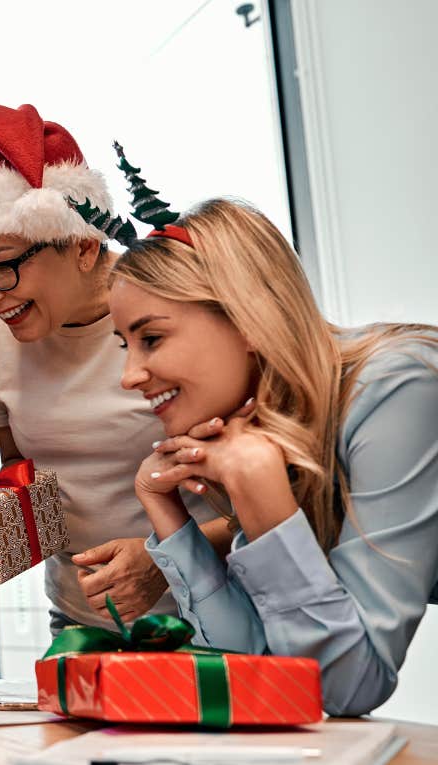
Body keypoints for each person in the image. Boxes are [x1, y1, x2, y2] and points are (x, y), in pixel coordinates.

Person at [110, 197, 438, 716]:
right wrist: (169, 516)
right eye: (124, 345)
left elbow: (347, 688)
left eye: (151, 337)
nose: (129, 375)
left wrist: (260, 496)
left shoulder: (398, 388)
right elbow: (256, 667)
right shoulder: (256, 430)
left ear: (247, 320)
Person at [0, 103, 228, 631]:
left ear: (85, 246)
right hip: (78, 622)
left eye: (2, 267)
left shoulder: (180, 317)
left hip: (216, 616)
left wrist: (168, 558)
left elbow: (278, 492)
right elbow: (23, 469)